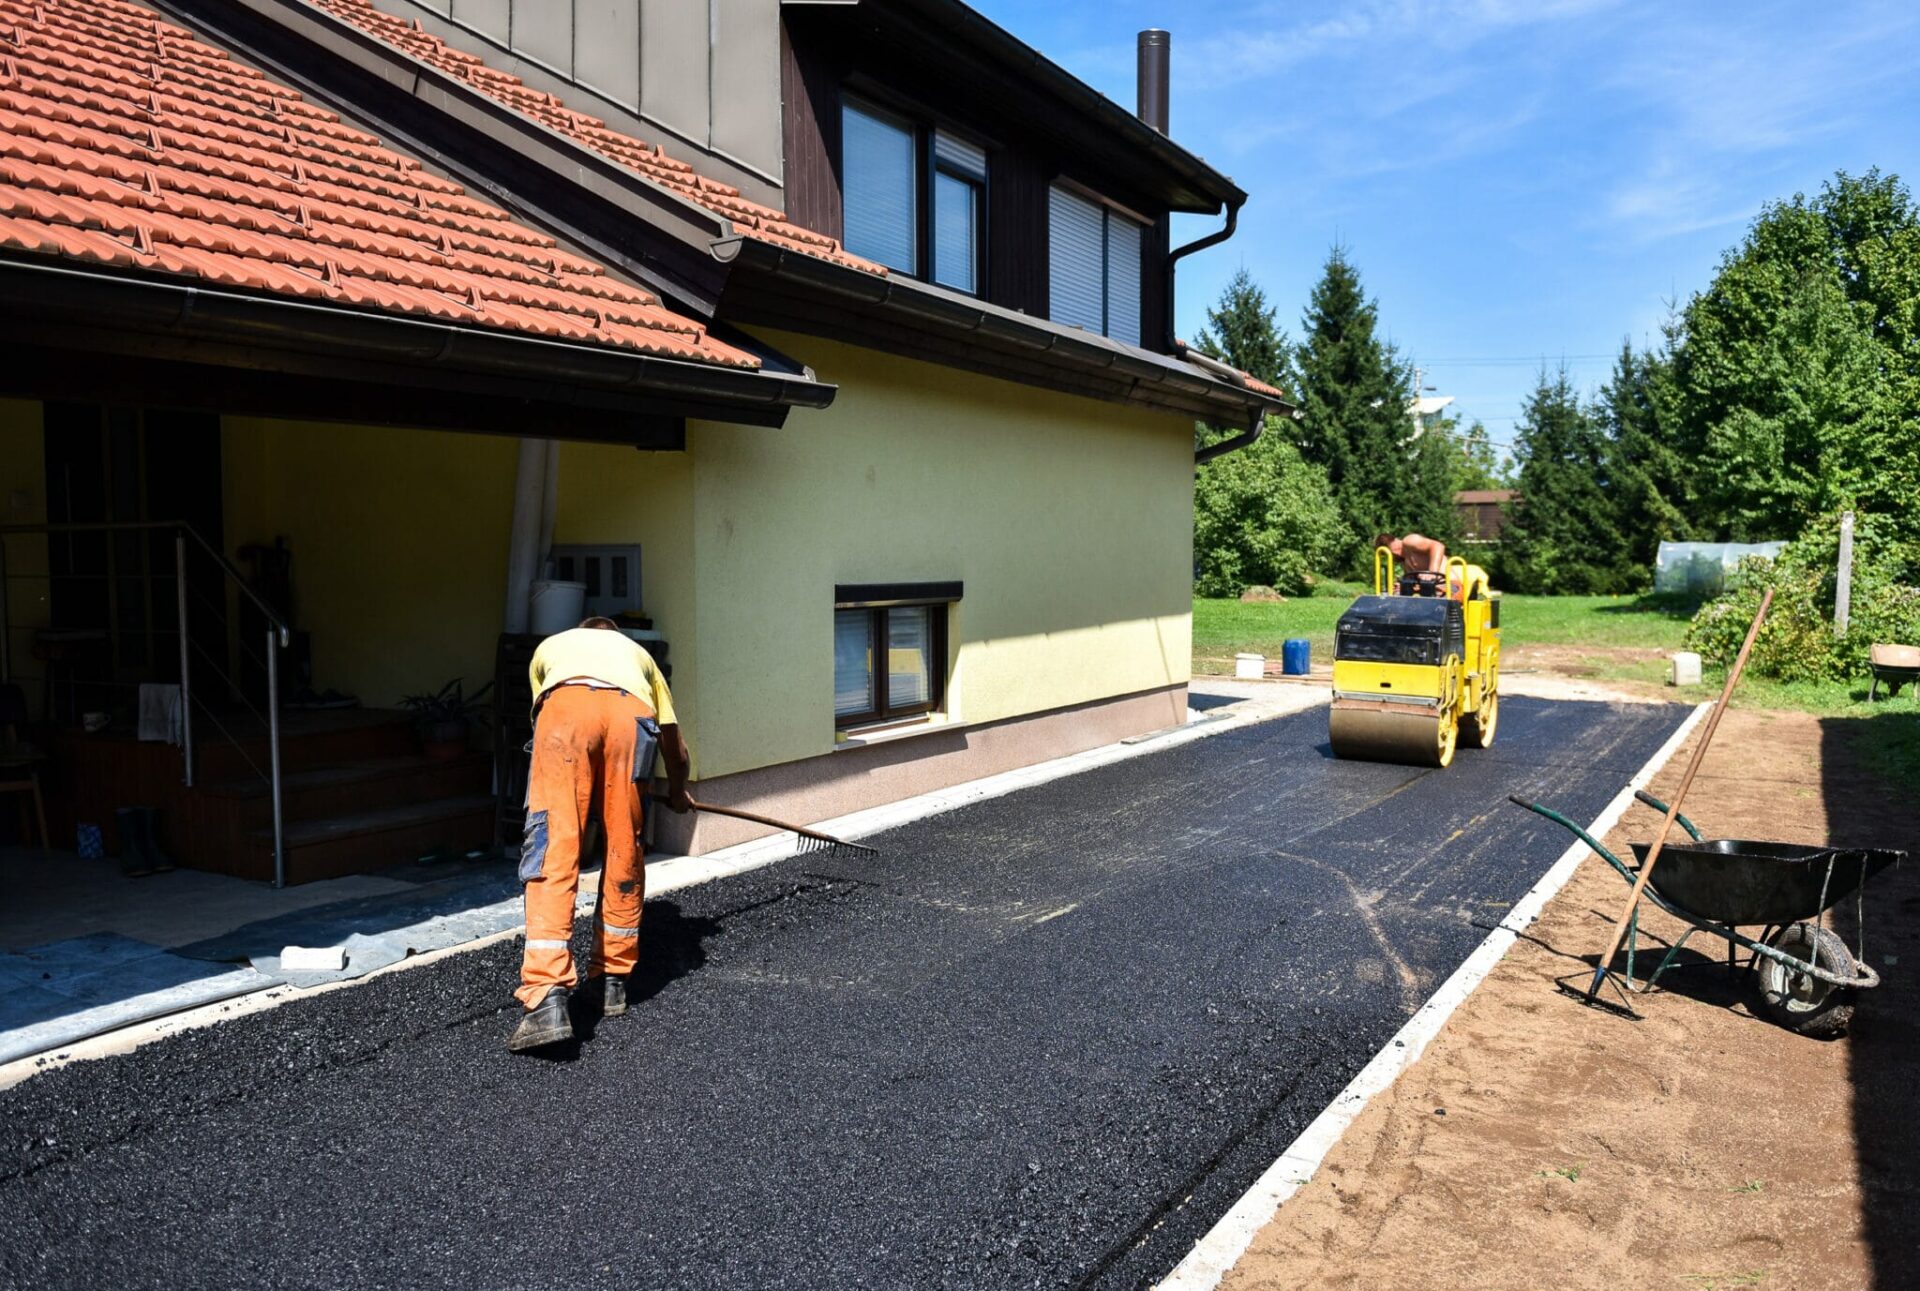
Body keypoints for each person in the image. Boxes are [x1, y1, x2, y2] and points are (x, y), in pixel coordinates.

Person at [510, 616, 692, 1052]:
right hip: (632, 718)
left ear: (583, 629)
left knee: (554, 844)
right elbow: (674, 745)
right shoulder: (641, 658)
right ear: (615, 635)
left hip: (565, 712)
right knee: (624, 845)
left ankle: (546, 997)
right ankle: (611, 981)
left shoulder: (552, 646)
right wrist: (680, 791)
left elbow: (546, 717)